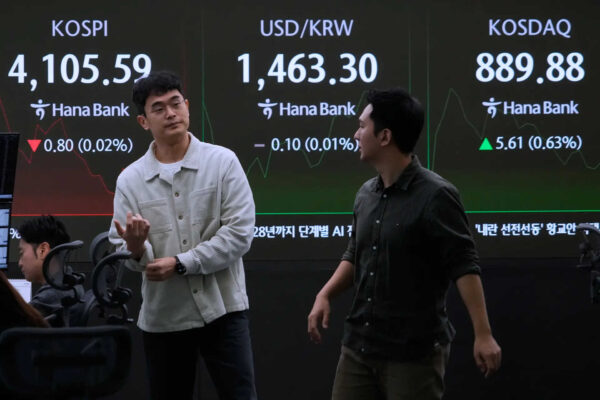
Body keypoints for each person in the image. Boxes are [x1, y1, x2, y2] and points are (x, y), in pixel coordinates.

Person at [307, 88, 502, 399]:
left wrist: (483, 334)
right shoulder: (365, 194)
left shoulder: (436, 195)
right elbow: (356, 253)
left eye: (362, 126)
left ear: (385, 136)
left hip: (414, 354)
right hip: (359, 347)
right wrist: (325, 293)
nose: (356, 134)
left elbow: (464, 265)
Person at [108, 71, 257, 400]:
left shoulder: (223, 162)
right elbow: (124, 248)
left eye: (176, 103)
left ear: (187, 106)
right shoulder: (130, 180)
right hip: (165, 318)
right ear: (143, 121)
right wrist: (136, 250)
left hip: (223, 310)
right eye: (158, 108)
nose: (171, 113)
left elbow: (240, 232)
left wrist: (181, 263)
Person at [17, 215, 85, 327]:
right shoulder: (72, 285)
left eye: (22, 252)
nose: (20, 263)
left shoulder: (48, 298)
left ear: (43, 250)